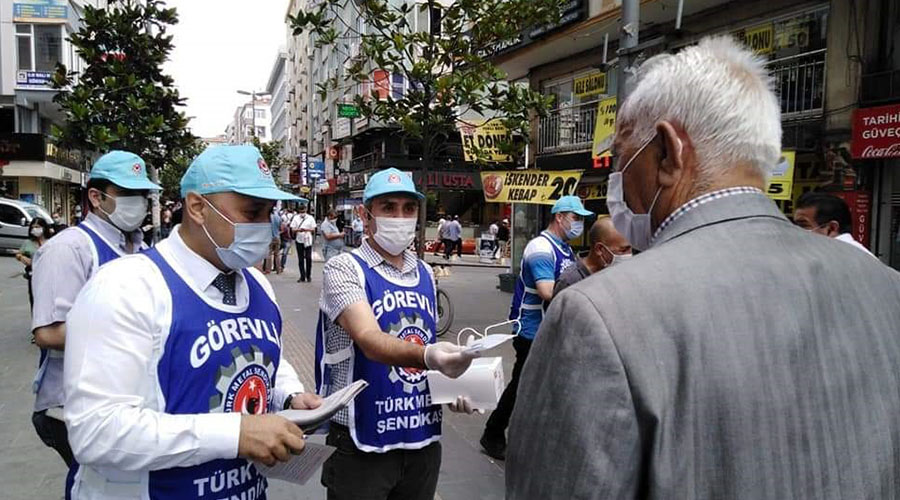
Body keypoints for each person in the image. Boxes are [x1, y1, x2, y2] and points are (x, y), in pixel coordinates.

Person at [506, 37, 900, 499]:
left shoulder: (598, 315)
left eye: (620, 159)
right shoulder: (885, 287)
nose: (617, 182)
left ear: (671, 152)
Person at [63, 144, 322, 499]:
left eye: (269, 213)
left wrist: (290, 397)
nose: (265, 227)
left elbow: (264, 361)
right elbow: (96, 431)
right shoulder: (125, 287)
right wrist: (234, 435)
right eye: (252, 212)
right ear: (198, 207)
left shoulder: (257, 284)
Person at [316, 168, 479, 500]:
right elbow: (369, 338)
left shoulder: (424, 273)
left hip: (421, 438)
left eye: (409, 208)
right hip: (361, 441)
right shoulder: (345, 268)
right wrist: (429, 356)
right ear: (366, 214)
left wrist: (459, 386)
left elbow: (425, 341)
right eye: (388, 207)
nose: (400, 217)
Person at [30, 151, 160, 469]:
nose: (138, 202)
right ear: (96, 197)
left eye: (142, 194)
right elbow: (48, 332)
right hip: (72, 406)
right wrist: (136, 329)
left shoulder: (140, 248)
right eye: (126, 193)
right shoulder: (69, 248)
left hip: (127, 401)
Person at [480, 195, 592, 460]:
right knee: (522, 384)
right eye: (576, 218)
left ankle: (528, 435)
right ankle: (493, 432)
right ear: (560, 217)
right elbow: (547, 291)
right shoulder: (541, 248)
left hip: (550, 329)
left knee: (540, 385)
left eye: (582, 220)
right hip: (531, 330)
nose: (579, 225)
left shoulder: (564, 249)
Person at [552, 217, 631, 297]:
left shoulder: (616, 275)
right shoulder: (570, 281)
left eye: (631, 249)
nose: (629, 255)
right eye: (623, 250)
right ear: (600, 249)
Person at [793, 191, 876, 257]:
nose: (794, 230)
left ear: (832, 228)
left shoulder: (842, 257)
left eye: (803, 225)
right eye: (794, 225)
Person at [17, 217, 50, 309]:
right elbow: (19, 254)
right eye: (33, 227)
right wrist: (22, 257)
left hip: (48, 275)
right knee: (34, 301)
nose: (35, 229)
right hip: (33, 275)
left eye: (38, 227)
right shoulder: (28, 243)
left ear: (43, 228)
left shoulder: (51, 241)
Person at [291, 204, 316, 282]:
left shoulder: (310, 218)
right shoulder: (295, 218)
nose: (302, 213)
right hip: (299, 240)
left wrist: (306, 230)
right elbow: (292, 229)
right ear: (299, 211)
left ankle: (308, 276)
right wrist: (299, 230)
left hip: (308, 240)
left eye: (304, 211)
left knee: (308, 258)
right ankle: (302, 276)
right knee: (300, 259)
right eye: (301, 211)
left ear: (306, 210)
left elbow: (313, 229)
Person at [262, 206, 282, 274]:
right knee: (277, 254)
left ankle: (268, 270)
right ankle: (278, 269)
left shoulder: (268, 217)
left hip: (269, 237)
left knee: (269, 255)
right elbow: (280, 227)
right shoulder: (278, 217)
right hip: (277, 237)